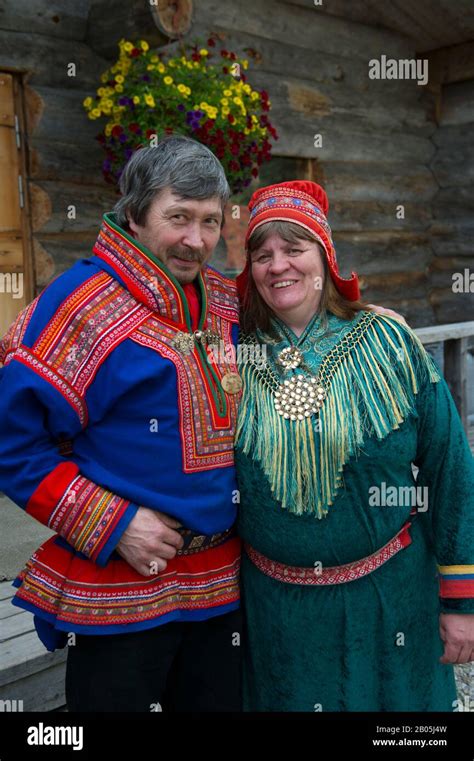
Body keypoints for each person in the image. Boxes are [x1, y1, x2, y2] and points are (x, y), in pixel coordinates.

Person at [0, 136, 244, 712]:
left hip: (225, 588)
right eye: (178, 217)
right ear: (134, 214)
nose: (196, 240)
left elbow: (300, 302)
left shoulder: (228, 301)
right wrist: (114, 522)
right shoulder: (76, 306)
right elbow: (13, 443)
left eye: (210, 221)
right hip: (123, 589)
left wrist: (358, 310)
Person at [234, 180, 474, 712]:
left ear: (325, 256)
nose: (278, 266)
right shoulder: (231, 352)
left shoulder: (390, 340)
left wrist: (462, 599)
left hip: (390, 600)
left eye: (294, 249)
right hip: (277, 612)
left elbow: (450, 469)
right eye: (262, 254)